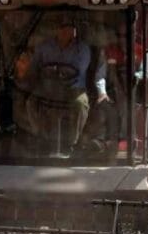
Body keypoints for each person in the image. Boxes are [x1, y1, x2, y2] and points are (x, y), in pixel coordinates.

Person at [16, 17, 108, 155]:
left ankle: (72, 142)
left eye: (69, 28)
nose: (66, 31)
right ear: (57, 30)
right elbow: (35, 67)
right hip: (48, 87)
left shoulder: (82, 49)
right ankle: (41, 137)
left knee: (80, 104)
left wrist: (58, 73)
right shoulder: (44, 47)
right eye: (63, 28)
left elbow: (79, 70)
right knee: (31, 102)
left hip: (73, 88)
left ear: (74, 31)